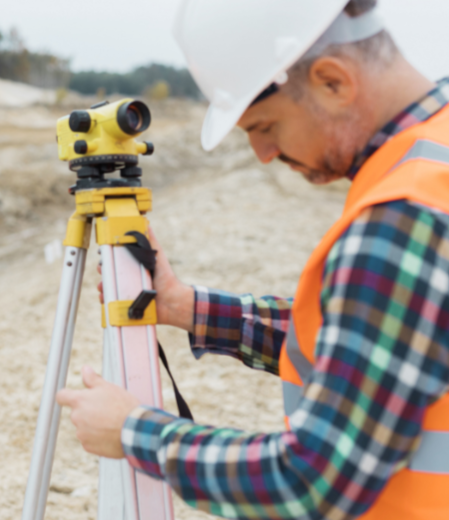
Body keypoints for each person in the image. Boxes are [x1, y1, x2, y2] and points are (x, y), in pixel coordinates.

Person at [57, 1, 449, 518]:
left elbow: (311, 481)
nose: (263, 154)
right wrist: (186, 308)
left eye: (263, 126)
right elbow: (377, 344)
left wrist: (136, 431)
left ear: (333, 82)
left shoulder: (404, 214)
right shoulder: (432, 161)